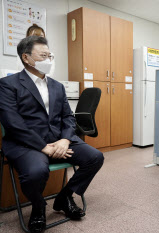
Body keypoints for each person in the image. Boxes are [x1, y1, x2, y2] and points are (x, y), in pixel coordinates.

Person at [0, 36, 104, 233]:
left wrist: (65, 139)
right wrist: (44, 147)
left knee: (95, 157)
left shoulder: (57, 86)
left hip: (59, 139)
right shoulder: (8, 84)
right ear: (26, 57)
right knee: (35, 172)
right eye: (43, 55)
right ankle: (38, 207)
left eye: (50, 55)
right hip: (26, 143)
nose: (48, 60)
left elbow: (68, 117)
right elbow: (13, 123)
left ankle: (65, 196)